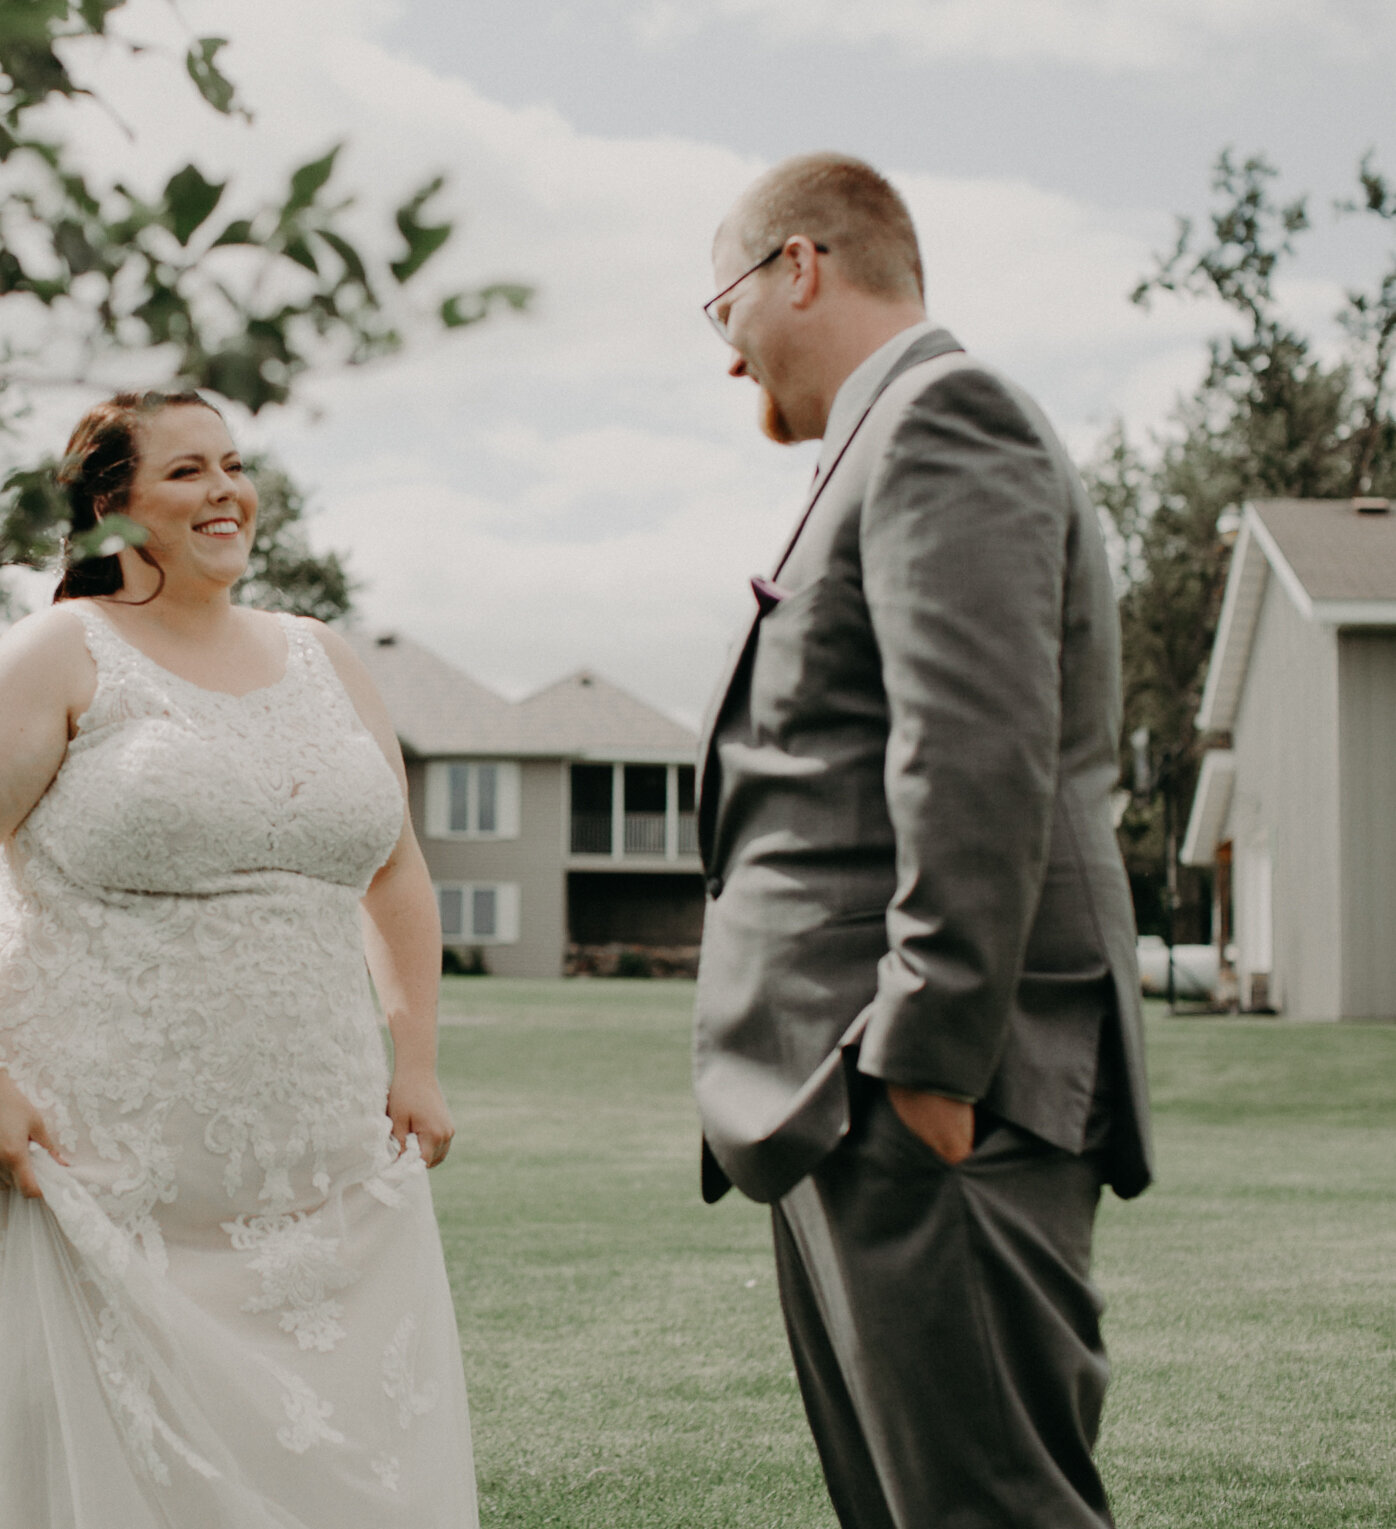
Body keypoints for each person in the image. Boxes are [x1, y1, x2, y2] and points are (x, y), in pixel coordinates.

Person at [0, 390, 478, 1527]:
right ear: (112, 509)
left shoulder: (324, 656)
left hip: (321, 1164)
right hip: (89, 1163)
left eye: (235, 465)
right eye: (188, 472)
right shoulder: (58, 652)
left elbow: (395, 869)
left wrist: (418, 1059)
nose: (226, 492)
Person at [692, 153, 1154, 1529]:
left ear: (800, 266)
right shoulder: (882, 439)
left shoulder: (948, 417)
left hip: (918, 1084)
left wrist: (926, 1063)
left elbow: (977, 751)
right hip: (846, 1092)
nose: (729, 362)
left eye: (724, 315)